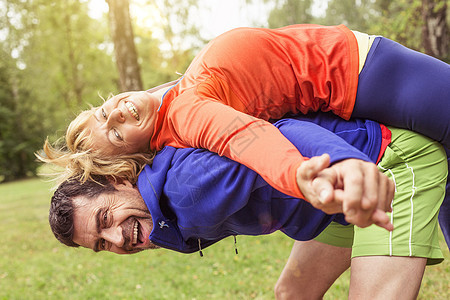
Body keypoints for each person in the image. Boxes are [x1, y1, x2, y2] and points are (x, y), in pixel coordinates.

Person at [40, 24, 450, 231]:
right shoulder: (186, 114)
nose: (113, 114)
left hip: (363, 70)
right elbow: (244, 138)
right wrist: (297, 174)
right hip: (367, 73)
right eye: (113, 134)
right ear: (133, 155)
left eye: (100, 112)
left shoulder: (166, 104)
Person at [49, 114, 447, 298]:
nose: (117, 237)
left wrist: (349, 166)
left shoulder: (188, 189)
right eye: (101, 243)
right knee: (293, 293)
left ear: (119, 181)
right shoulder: (163, 213)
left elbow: (281, 134)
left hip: (385, 163)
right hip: (331, 206)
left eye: (106, 218)